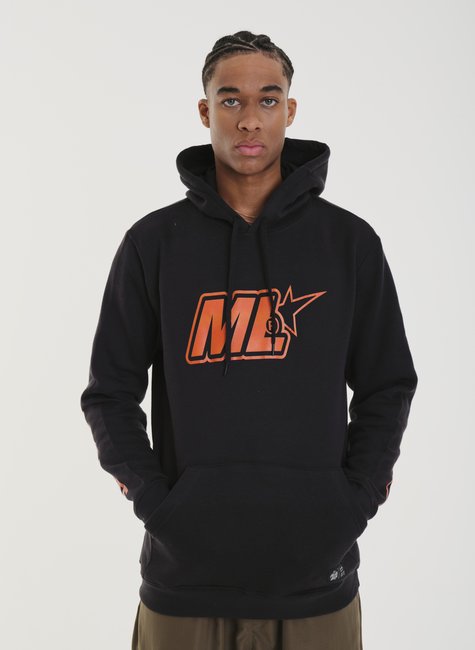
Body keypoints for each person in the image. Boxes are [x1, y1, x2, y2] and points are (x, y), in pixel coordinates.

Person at [80, 30, 418, 650]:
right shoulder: (153, 244)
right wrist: (158, 503)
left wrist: (355, 501)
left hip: (317, 580)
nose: (249, 119)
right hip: (184, 583)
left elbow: (387, 384)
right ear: (205, 111)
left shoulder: (348, 243)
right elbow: (109, 394)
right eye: (230, 99)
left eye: (268, 99)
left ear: (290, 110)